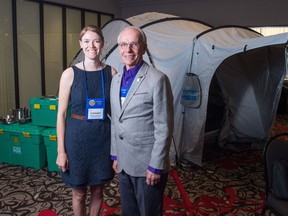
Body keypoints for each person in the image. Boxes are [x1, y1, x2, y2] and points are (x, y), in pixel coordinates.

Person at [110, 26, 174, 216]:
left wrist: (156, 165)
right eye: (123, 44)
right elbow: (115, 120)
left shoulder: (158, 79)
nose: (128, 50)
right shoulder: (116, 79)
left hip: (148, 165)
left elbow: (164, 127)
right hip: (124, 162)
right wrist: (115, 155)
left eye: (134, 44)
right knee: (129, 212)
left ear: (144, 48)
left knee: (149, 212)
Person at [56, 24, 116, 216]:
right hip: (76, 140)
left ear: (103, 44)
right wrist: (61, 151)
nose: (92, 46)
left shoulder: (112, 73)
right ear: (81, 44)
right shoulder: (69, 74)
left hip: (102, 139)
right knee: (79, 194)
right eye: (87, 41)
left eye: (96, 41)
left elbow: (117, 114)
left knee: (99, 191)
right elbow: (61, 115)